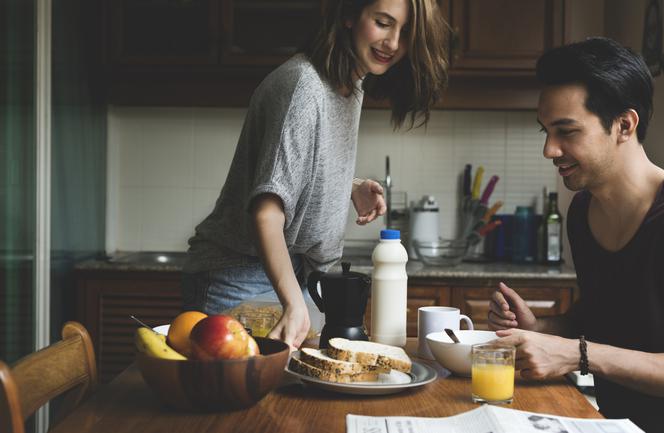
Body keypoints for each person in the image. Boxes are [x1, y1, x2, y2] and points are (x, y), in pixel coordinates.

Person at [182, 0, 448, 349]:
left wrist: (346, 186)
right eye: (383, 23)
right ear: (350, 16)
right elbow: (267, 214)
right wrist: (293, 303)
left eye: (406, 32)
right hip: (240, 277)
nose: (394, 43)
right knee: (248, 401)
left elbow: (293, 171)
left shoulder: (350, 86)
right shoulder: (303, 87)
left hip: (292, 274)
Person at [488, 37, 664, 432]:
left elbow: (591, 349)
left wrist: (577, 354)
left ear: (624, 125)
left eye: (566, 131)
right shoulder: (582, 211)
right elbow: (606, 315)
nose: (550, 150)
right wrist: (540, 329)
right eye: (546, 131)